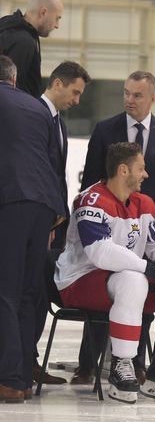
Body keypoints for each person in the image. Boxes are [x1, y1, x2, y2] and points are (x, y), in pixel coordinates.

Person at [54, 142, 155, 404]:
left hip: (121, 281)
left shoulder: (144, 203)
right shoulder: (90, 199)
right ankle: (122, 365)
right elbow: (100, 253)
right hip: (79, 280)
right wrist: (149, 268)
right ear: (123, 170)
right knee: (134, 280)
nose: (146, 175)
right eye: (141, 168)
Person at [74, 70, 155, 385]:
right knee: (106, 283)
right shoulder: (106, 128)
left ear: (152, 98)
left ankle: (136, 362)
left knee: (142, 287)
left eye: (136, 95)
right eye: (126, 93)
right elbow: (91, 178)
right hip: (108, 223)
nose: (129, 100)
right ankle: (86, 364)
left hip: (144, 226)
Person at [0, 55, 65, 403]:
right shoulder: (37, 108)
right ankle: (24, 377)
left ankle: (9, 380)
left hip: (11, 201)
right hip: (43, 206)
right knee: (28, 292)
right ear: (13, 79)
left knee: (5, 291)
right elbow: (51, 161)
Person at [32, 61, 91, 386]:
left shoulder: (59, 123)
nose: (77, 100)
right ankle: (24, 360)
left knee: (39, 290)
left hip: (52, 219)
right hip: (37, 217)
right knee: (30, 290)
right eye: (75, 92)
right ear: (57, 83)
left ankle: (30, 359)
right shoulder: (36, 116)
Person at [0, 0, 63, 97]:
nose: (57, 26)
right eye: (57, 18)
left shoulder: (8, 27)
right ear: (43, 13)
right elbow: (10, 90)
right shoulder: (24, 42)